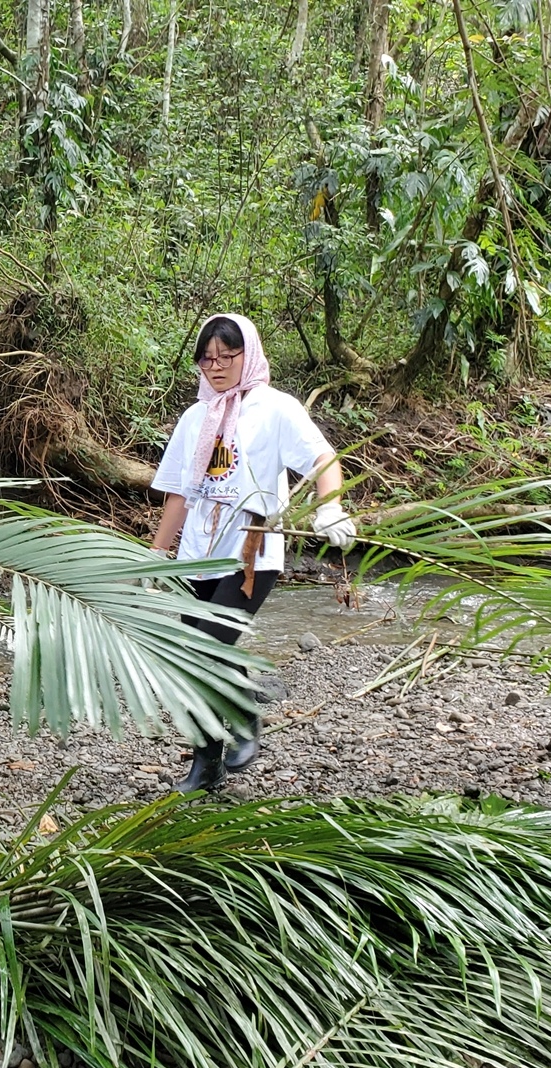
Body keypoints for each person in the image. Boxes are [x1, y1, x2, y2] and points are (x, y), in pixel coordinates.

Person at [149, 313, 357, 793]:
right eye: (208, 358)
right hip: (198, 555)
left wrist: (331, 507)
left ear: (250, 354)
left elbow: (325, 459)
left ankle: (244, 714)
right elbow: (179, 493)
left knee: (211, 646)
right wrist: (158, 553)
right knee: (188, 656)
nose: (217, 366)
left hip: (251, 554)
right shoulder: (195, 417)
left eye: (228, 355)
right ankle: (207, 765)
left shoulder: (274, 408)